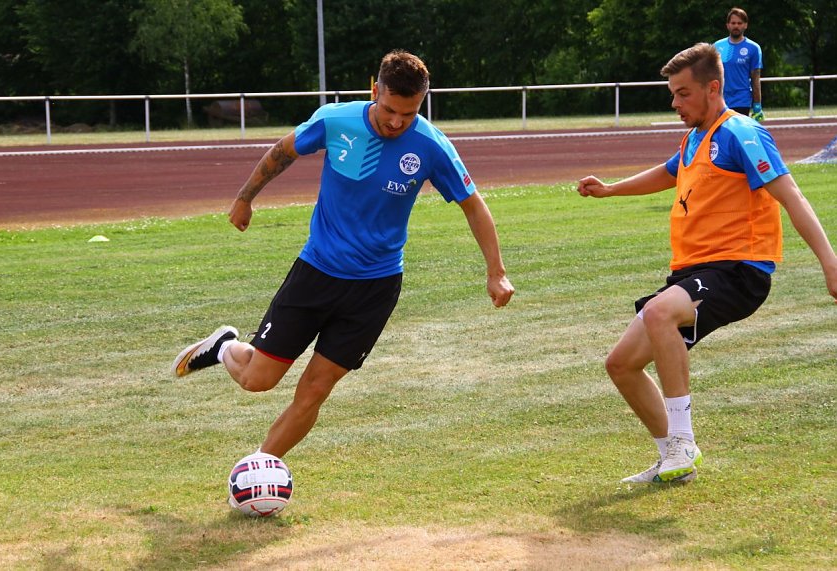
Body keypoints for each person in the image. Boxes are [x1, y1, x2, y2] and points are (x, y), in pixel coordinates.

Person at [172, 50, 515, 460]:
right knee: (258, 380)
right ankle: (225, 345)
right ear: (374, 90)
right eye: (389, 109)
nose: (395, 122)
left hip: (375, 288)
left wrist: (496, 272)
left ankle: (259, 469)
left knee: (316, 389)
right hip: (317, 273)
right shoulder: (335, 121)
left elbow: (473, 204)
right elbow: (283, 152)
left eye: (408, 114)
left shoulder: (431, 146)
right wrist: (245, 198)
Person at [577, 43, 837, 484]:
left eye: (682, 93)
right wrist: (609, 190)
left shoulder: (741, 133)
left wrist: (830, 265)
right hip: (694, 273)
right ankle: (673, 461)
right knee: (621, 364)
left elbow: (791, 196)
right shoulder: (696, 135)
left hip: (739, 270)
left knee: (660, 312)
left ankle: (683, 440)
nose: (674, 103)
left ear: (713, 88)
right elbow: (667, 173)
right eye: (673, 94)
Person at [714, 7, 764, 122]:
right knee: (720, 136)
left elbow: (755, 79)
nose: (736, 26)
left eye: (739, 23)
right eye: (733, 23)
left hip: (742, 100)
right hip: (721, 100)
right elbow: (710, 75)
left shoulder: (753, 48)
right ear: (727, 25)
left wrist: (757, 106)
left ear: (745, 25)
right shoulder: (717, 46)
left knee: (738, 135)